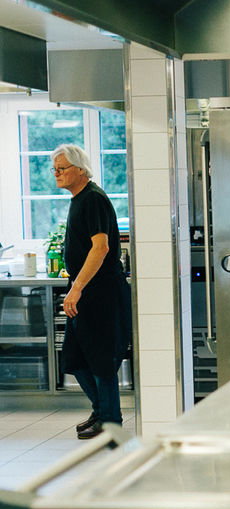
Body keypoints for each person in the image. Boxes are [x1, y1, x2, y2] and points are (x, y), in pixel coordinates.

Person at [53, 144, 132, 440]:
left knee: (100, 359)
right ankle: (101, 410)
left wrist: (77, 288)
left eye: (63, 169)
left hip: (100, 294)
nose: (57, 174)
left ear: (81, 170)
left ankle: (110, 421)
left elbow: (101, 248)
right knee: (75, 358)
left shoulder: (93, 199)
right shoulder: (80, 199)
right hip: (85, 291)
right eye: (55, 169)